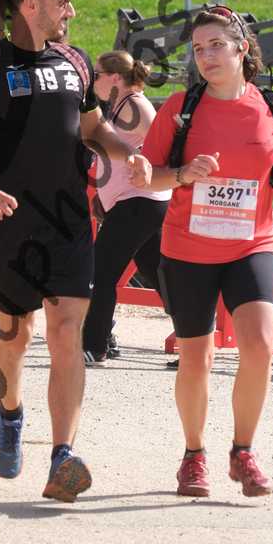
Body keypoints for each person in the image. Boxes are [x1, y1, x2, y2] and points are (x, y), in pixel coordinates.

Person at [0, 0, 151, 503]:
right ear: (30, 5)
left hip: (69, 223)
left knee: (66, 333)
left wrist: (127, 153)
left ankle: (63, 455)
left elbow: (92, 129)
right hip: (7, 226)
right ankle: (10, 410)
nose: (71, 12)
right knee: (15, 339)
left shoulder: (75, 62)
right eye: (63, 1)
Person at [141, 6, 273, 499]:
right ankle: (193, 456)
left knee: (259, 344)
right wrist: (182, 174)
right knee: (196, 357)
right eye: (198, 49)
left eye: (216, 45)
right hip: (188, 247)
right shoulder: (180, 109)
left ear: (242, 48)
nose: (206, 56)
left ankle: (243, 452)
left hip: (251, 243)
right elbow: (150, 175)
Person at [82, 50, 171, 363]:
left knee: (100, 271)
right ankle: (197, 334)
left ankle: (95, 344)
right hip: (134, 203)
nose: (93, 81)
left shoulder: (135, 105)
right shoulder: (121, 106)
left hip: (139, 203)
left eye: (97, 75)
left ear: (115, 78)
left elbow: (165, 144)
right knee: (158, 274)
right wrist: (103, 195)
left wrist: (155, 173)